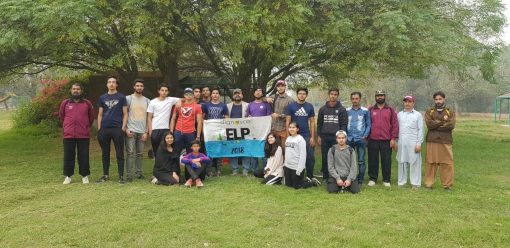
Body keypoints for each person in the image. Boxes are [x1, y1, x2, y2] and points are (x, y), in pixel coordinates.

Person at [59, 83, 94, 184]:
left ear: (81, 91)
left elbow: (91, 118)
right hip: (68, 134)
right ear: (71, 90)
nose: (76, 91)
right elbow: (62, 116)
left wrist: (86, 126)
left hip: (83, 134)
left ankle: (84, 176)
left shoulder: (87, 103)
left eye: (78, 89)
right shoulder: (65, 103)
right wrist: (66, 126)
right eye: (74, 89)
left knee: (83, 156)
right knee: (68, 156)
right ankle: (68, 176)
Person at [96, 75, 128, 183]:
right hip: (104, 129)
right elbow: (100, 114)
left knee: (120, 153)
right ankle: (105, 175)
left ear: (116, 84)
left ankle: (121, 176)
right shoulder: (102, 97)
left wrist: (123, 127)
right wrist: (99, 128)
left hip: (117, 129)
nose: (111, 84)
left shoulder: (121, 97)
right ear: (107, 84)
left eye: (113, 82)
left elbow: (125, 113)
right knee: (105, 153)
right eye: (109, 82)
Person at [424, 91, 456, 191]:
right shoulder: (429, 111)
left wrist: (436, 124)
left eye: (440, 99)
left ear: (444, 99)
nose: (438, 101)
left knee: (447, 163)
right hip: (432, 140)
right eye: (436, 99)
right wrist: (443, 122)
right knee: (431, 162)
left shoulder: (450, 111)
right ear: (434, 100)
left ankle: (447, 185)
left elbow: (451, 125)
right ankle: (429, 184)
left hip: (445, 140)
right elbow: (429, 125)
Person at [367, 90, 398, 187]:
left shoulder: (390, 110)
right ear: (375, 97)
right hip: (373, 139)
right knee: (372, 160)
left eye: (381, 95)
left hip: (386, 140)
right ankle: (372, 179)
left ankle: (386, 179)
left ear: (384, 97)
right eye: (378, 96)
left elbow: (394, 125)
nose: (379, 97)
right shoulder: (371, 110)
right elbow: (367, 124)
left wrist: (393, 138)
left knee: (386, 160)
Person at [285, 87, 317, 181]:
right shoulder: (291, 106)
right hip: (294, 136)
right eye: (300, 93)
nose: (302, 95)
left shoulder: (309, 106)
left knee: (310, 156)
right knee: (294, 156)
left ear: (306, 95)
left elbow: (312, 122)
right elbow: (287, 122)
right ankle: (297, 175)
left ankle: (310, 176)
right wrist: (288, 136)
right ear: (297, 94)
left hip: (306, 135)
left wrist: (312, 137)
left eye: (304, 93)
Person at [317, 88, 348, 182]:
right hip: (325, 137)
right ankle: (325, 177)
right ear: (329, 95)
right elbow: (319, 124)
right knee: (325, 157)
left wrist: (341, 137)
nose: (333, 96)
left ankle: (337, 177)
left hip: (336, 138)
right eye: (331, 94)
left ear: (337, 96)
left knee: (337, 157)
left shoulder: (342, 109)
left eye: (335, 94)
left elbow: (344, 124)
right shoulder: (322, 109)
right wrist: (319, 136)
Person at [125, 79, 150, 182]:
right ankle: (129, 175)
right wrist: (126, 129)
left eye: (141, 86)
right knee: (130, 153)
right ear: (134, 87)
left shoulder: (147, 101)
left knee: (140, 154)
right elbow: (124, 114)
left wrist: (146, 132)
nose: (139, 87)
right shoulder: (128, 98)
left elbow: (149, 117)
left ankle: (139, 173)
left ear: (143, 88)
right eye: (137, 86)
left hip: (142, 131)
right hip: (131, 130)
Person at [147, 84, 181, 160]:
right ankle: (157, 169)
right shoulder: (153, 102)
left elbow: (183, 99)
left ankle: (167, 169)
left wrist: (179, 102)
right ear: (159, 91)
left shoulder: (170, 100)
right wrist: (150, 132)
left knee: (166, 150)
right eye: (162, 90)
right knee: (156, 152)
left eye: (166, 91)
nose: (164, 92)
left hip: (166, 129)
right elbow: (149, 118)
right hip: (155, 129)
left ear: (168, 92)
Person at [396, 95, 424, 189]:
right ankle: (401, 182)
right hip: (401, 142)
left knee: (414, 163)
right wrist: (395, 142)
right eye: (406, 101)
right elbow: (396, 129)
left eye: (409, 101)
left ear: (413, 103)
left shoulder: (417, 115)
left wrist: (419, 143)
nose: (407, 103)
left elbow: (420, 130)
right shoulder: (399, 114)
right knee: (401, 162)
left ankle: (415, 183)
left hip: (413, 143)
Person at [283, 122, 321, 189]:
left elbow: (303, 155)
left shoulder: (300, 139)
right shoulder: (288, 138)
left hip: (296, 167)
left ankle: (312, 182)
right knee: (288, 185)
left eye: (293, 127)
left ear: (297, 129)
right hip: (288, 166)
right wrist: (285, 165)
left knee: (297, 186)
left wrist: (299, 169)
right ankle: (304, 180)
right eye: (290, 127)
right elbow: (287, 153)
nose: (291, 129)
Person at [202, 87, 228, 176]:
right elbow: (203, 117)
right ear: (211, 95)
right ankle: (209, 170)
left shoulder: (223, 105)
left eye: (217, 93)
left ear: (219, 95)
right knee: (210, 149)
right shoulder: (206, 105)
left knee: (219, 149)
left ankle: (218, 170)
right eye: (213, 93)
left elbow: (227, 117)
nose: (215, 95)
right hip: (209, 131)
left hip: (220, 131)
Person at [245, 87, 273, 172]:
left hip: (264, 132)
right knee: (254, 151)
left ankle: (265, 169)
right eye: (256, 91)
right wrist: (248, 117)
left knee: (264, 150)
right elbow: (246, 116)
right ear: (254, 94)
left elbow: (269, 118)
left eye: (260, 91)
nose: (258, 92)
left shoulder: (266, 104)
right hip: (253, 132)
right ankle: (255, 170)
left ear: (262, 94)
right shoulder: (250, 104)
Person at [346, 92, 371, 185]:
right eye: (353, 98)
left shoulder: (365, 110)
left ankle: (360, 180)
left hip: (361, 139)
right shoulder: (347, 110)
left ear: (360, 99)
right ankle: (350, 178)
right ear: (351, 99)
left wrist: (365, 135)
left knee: (361, 161)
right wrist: (345, 136)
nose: (354, 100)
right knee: (349, 161)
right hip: (349, 139)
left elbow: (368, 124)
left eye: (356, 98)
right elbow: (344, 124)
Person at [170, 88, 203, 154]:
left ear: (193, 95)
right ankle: (175, 164)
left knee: (191, 152)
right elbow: (173, 119)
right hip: (178, 131)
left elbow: (199, 122)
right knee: (176, 151)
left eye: (190, 94)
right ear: (184, 95)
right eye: (186, 94)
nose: (188, 96)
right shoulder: (178, 105)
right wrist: (171, 132)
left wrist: (198, 136)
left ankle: (188, 164)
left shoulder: (197, 107)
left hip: (190, 132)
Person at [227, 88, 251, 176]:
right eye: (235, 93)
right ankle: (235, 169)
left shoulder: (248, 105)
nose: (237, 94)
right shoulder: (228, 106)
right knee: (233, 150)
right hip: (232, 132)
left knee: (245, 150)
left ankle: (245, 169)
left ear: (242, 95)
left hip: (244, 131)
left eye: (239, 93)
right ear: (233, 96)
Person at [269, 79, 293, 145]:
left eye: (282, 86)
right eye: (278, 86)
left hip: (284, 129)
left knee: (284, 149)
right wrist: (266, 99)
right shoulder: (273, 97)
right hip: (273, 129)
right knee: (274, 150)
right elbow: (261, 99)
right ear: (276, 88)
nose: (280, 88)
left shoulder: (290, 100)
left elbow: (291, 115)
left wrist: (279, 115)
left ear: (285, 87)